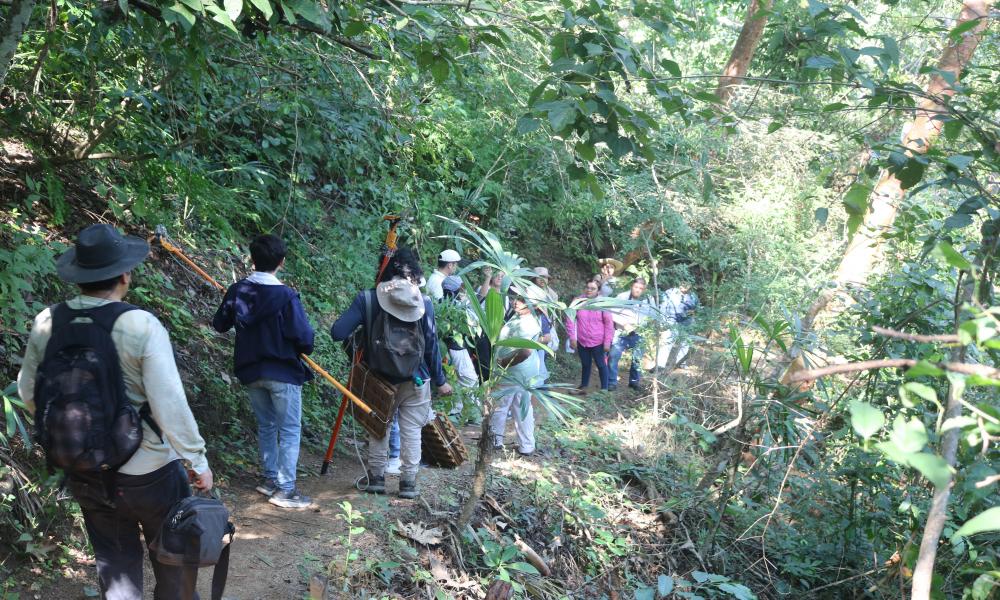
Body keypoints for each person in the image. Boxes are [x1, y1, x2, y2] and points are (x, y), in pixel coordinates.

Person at [17, 224, 213, 600]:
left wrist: (71, 434)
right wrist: (197, 459)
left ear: (78, 275)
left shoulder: (48, 321)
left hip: (85, 468)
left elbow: (29, 391)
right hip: (150, 472)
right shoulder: (141, 324)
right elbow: (169, 403)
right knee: (173, 559)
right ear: (125, 274)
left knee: (116, 563)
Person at [330, 248, 452, 499]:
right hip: (416, 379)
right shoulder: (425, 302)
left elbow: (337, 332)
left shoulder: (367, 298)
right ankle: (408, 483)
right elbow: (431, 345)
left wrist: (361, 338)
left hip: (378, 378)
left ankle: (376, 478)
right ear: (415, 273)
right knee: (412, 430)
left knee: (379, 428)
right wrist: (440, 381)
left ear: (383, 270)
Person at [212, 234, 315, 509]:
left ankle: (270, 479)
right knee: (289, 429)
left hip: (251, 371)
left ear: (252, 259)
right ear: (281, 262)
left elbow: (219, 324)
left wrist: (231, 302)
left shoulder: (238, 290)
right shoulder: (286, 296)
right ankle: (285, 489)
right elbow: (305, 339)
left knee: (267, 425)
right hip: (282, 371)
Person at [490, 289, 541, 456]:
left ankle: (495, 441)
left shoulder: (529, 323)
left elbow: (525, 351)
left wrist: (504, 363)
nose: (516, 301)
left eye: (522, 300)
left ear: (534, 305)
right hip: (519, 373)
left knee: (502, 407)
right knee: (521, 407)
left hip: (513, 372)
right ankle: (526, 445)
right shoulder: (520, 317)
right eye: (516, 298)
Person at [441, 275, 481, 420]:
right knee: (470, 381)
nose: (464, 290)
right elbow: (473, 325)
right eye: (462, 288)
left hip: (447, 350)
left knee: (455, 381)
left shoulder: (440, 303)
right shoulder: (456, 306)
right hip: (457, 349)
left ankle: (456, 411)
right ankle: (473, 415)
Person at [565, 279, 614, 392]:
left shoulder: (602, 303)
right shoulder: (578, 301)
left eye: (593, 288)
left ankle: (604, 389)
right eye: (587, 287)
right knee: (585, 364)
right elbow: (570, 319)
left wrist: (607, 342)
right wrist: (572, 337)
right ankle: (583, 386)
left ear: (598, 291)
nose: (589, 290)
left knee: (601, 364)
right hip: (582, 340)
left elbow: (609, 324)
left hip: (598, 341)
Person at [608, 277, 655, 390]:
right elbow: (611, 312)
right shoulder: (622, 297)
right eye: (635, 287)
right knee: (613, 356)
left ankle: (634, 382)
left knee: (637, 359)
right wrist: (624, 324)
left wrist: (649, 325)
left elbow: (653, 313)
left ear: (644, 289)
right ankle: (611, 382)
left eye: (640, 288)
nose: (637, 290)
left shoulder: (649, 299)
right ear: (631, 286)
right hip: (622, 332)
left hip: (640, 333)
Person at [658, 281, 699, 368]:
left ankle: (680, 363)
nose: (684, 286)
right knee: (667, 342)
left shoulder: (693, 296)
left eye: (687, 284)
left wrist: (691, 315)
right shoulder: (670, 292)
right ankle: (660, 365)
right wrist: (662, 321)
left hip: (687, 322)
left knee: (685, 343)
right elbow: (663, 306)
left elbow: (696, 309)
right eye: (682, 283)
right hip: (671, 320)